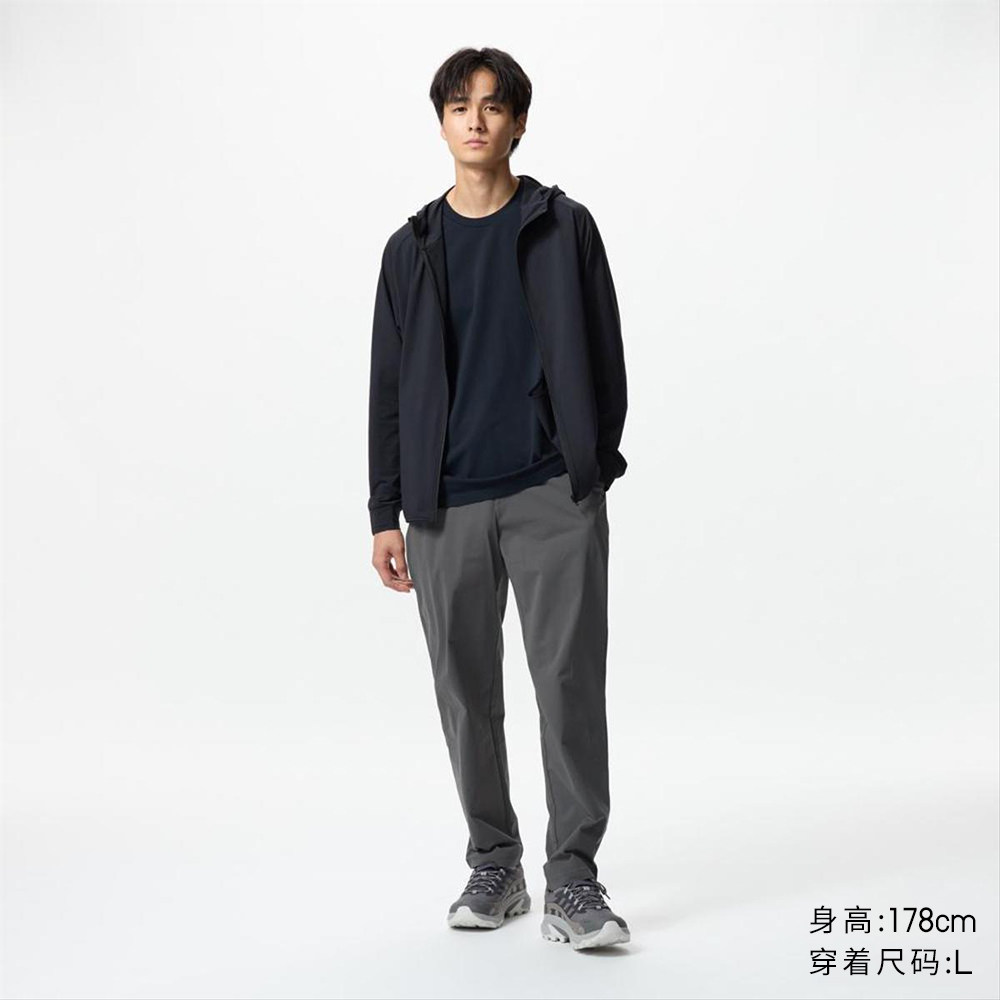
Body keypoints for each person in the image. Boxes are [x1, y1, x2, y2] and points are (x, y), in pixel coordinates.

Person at [366, 46, 630, 951]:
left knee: (568, 684)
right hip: (445, 507)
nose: (475, 120)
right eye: (458, 105)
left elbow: (605, 352)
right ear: (442, 122)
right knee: (464, 691)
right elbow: (388, 388)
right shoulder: (410, 249)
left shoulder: (564, 227)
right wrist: (385, 511)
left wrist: (590, 465)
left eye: (491, 105)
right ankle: (495, 863)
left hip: (552, 491)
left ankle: (574, 879)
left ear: (518, 122)